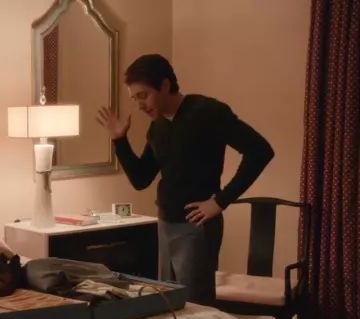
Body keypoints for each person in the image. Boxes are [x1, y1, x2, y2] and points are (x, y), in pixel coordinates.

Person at [96, 54, 274, 305]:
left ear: (165, 85)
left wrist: (220, 201)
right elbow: (141, 178)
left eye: (143, 95)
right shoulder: (158, 126)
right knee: (169, 304)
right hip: (165, 222)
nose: (140, 105)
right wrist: (119, 140)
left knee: (194, 306)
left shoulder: (208, 111)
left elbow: (260, 151)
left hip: (196, 227)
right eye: (135, 98)